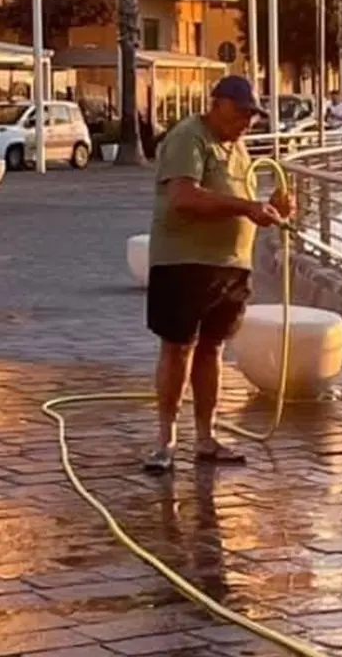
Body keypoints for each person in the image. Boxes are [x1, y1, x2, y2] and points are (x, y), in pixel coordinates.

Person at [143, 75, 295, 473]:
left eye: (253, 115)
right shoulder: (189, 137)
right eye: (242, 112)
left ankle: (206, 437)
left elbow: (242, 201)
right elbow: (183, 197)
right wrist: (246, 209)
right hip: (183, 261)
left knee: (212, 348)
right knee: (179, 346)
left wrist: (271, 208)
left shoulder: (239, 147)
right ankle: (165, 440)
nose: (248, 121)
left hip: (230, 264)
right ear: (218, 104)